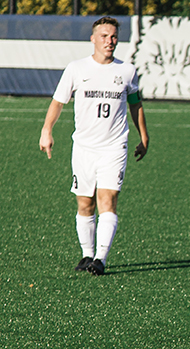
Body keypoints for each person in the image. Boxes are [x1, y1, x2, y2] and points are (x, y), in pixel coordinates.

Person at [39, 16, 150, 275]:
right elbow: (58, 101)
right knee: (84, 204)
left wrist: (144, 137)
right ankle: (87, 254)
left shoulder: (127, 71)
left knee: (107, 200)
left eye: (113, 36)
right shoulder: (77, 69)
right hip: (84, 148)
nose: (109, 41)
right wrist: (47, 131)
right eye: (104, 36)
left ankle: (100, 259)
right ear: (93, 39)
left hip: (114, 148)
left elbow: (136, 104)